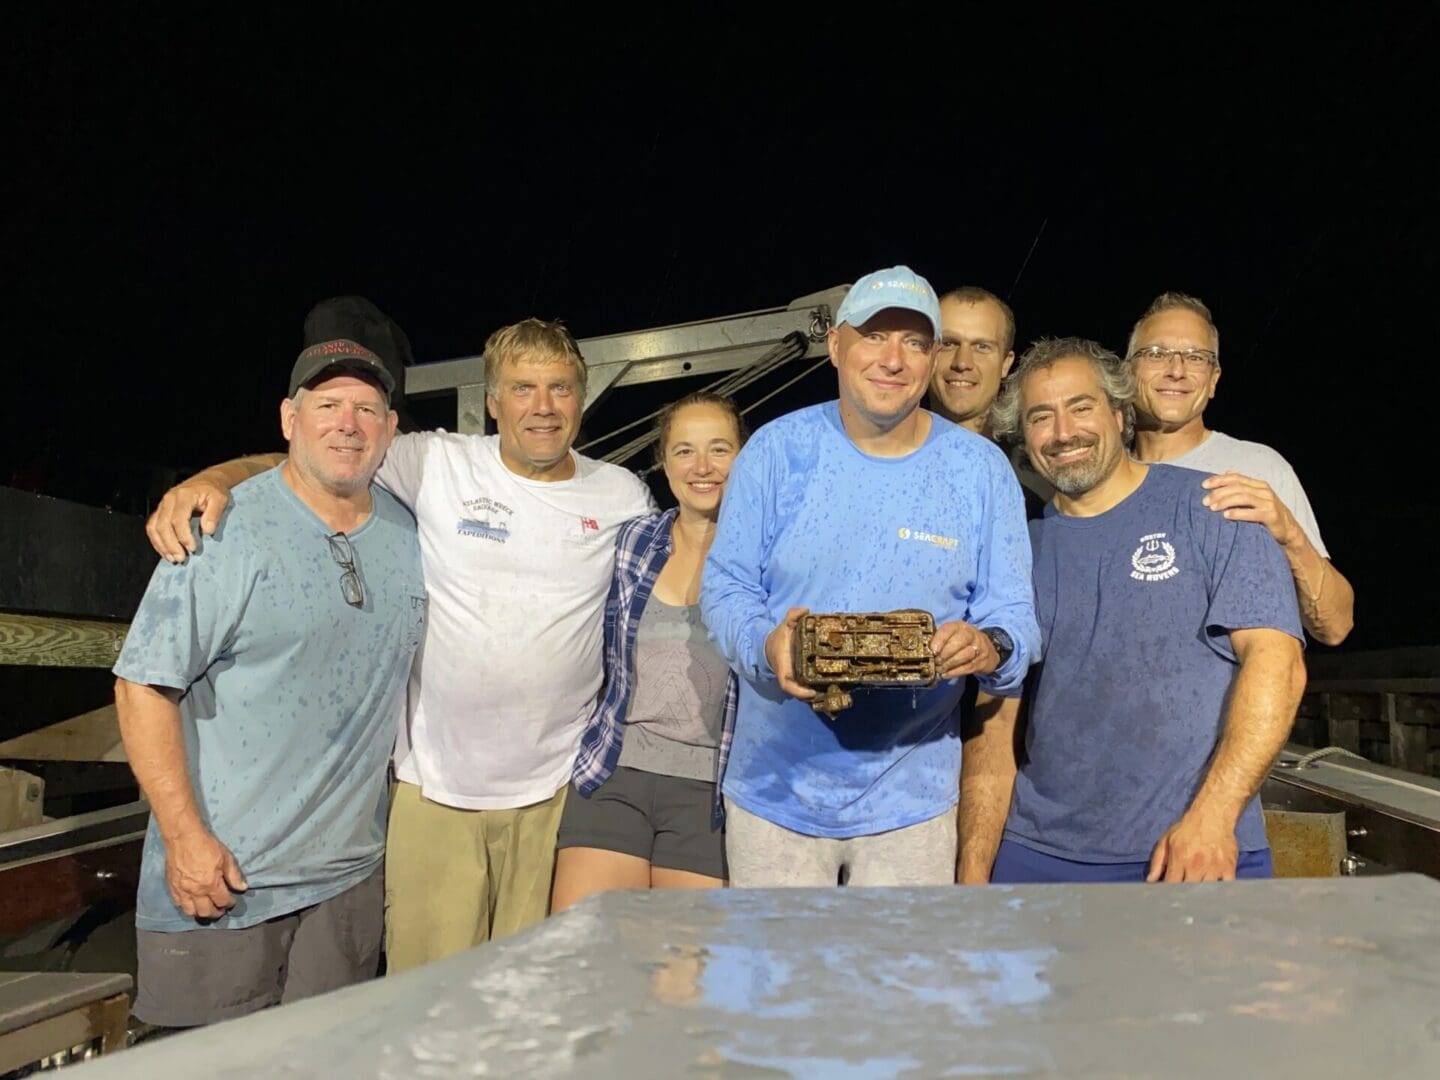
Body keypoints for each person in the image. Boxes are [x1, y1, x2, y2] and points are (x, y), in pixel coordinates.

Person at [143, 317, 655, 969]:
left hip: (555, 792)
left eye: (559, 388)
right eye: (523, 388)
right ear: (493, 403)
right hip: (433, 790)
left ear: (579, 399)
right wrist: (216, 479)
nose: (543, 407)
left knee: (528, 996)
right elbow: (315, 461)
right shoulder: (433, 461)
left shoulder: (621, 495)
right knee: (428, 996)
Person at [113, 339, 425, 1026]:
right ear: (289, 418)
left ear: (391, 430)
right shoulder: (223, 531)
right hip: (223, 887)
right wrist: (185, 839)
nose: (348, 423)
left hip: (346, 885)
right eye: (329, 404)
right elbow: (142, 688)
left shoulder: (409, 534)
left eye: (368, 408)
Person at [700, 266, 1040, 888]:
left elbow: (1014, 616)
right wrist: (766, 645)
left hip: (911, 810)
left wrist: (989, 645)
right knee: (776, 984)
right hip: (777, 797)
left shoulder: (981, 471)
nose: (893, 359)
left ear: (933, 357)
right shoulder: (777, 452)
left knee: (896, 984)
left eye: (914, 342)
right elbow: (725, 589)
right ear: (836, 345)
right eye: (874, 336)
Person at [983, 337, 1306, 883]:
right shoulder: (1020, 549)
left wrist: (1212, 819)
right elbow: (995, 721)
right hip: (1038, 856)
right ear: (1025, 435)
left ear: (1119, 414)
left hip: (1194, 850)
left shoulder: (1213, 506)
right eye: (1042, 417)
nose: (1064, 433)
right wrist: (974, 869)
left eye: (1081, 407)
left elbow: (1279, 664)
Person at [552, 392, 746, 911]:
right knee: (585, 964)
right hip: (616, 773)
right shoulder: (635, 540)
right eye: (684, 451)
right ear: (663, 462)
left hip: (710, 794)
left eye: (719, 450)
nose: (702, 467)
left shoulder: (766, 557)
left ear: (744, 456)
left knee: (680, 986)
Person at [1127, 292, 1353, 644]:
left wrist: (1289, 533)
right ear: (1127, 372)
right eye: (1156, 354)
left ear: (1214, 379)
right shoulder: (1101, 479)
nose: (1176, 370)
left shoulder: (1258, 467)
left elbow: (1335, 626)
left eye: (1196, 357)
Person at [926, 284, 1051, 514]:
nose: (962, 362)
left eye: (982, 347)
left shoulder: (1041, 471)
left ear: (1006, 363)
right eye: (949, 344)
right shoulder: (887, 450)